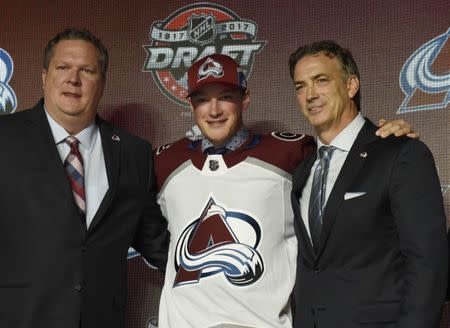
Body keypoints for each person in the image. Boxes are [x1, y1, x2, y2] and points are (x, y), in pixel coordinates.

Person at [153, 53, 416, 328]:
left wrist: (386, 136)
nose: (214, 110)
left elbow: (348, 155)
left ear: (245, 99)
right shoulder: (163, 161)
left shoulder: (291, 153)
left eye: (226, 97)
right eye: (203, 99)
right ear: (190, 105)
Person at [0, 27, 168, 328]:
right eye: (63, 67)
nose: (73, 79)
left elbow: (156, 241)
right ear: (44, 76)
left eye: (87, 70)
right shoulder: (5, 138)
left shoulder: (134, 152)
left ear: (102, 82)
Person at [289, 40, 448, 328]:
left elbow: (428, 264)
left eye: (321, 80)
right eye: (300, 86)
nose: (310, 94)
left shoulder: (400, 154)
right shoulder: (303, 171)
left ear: (351, 86)